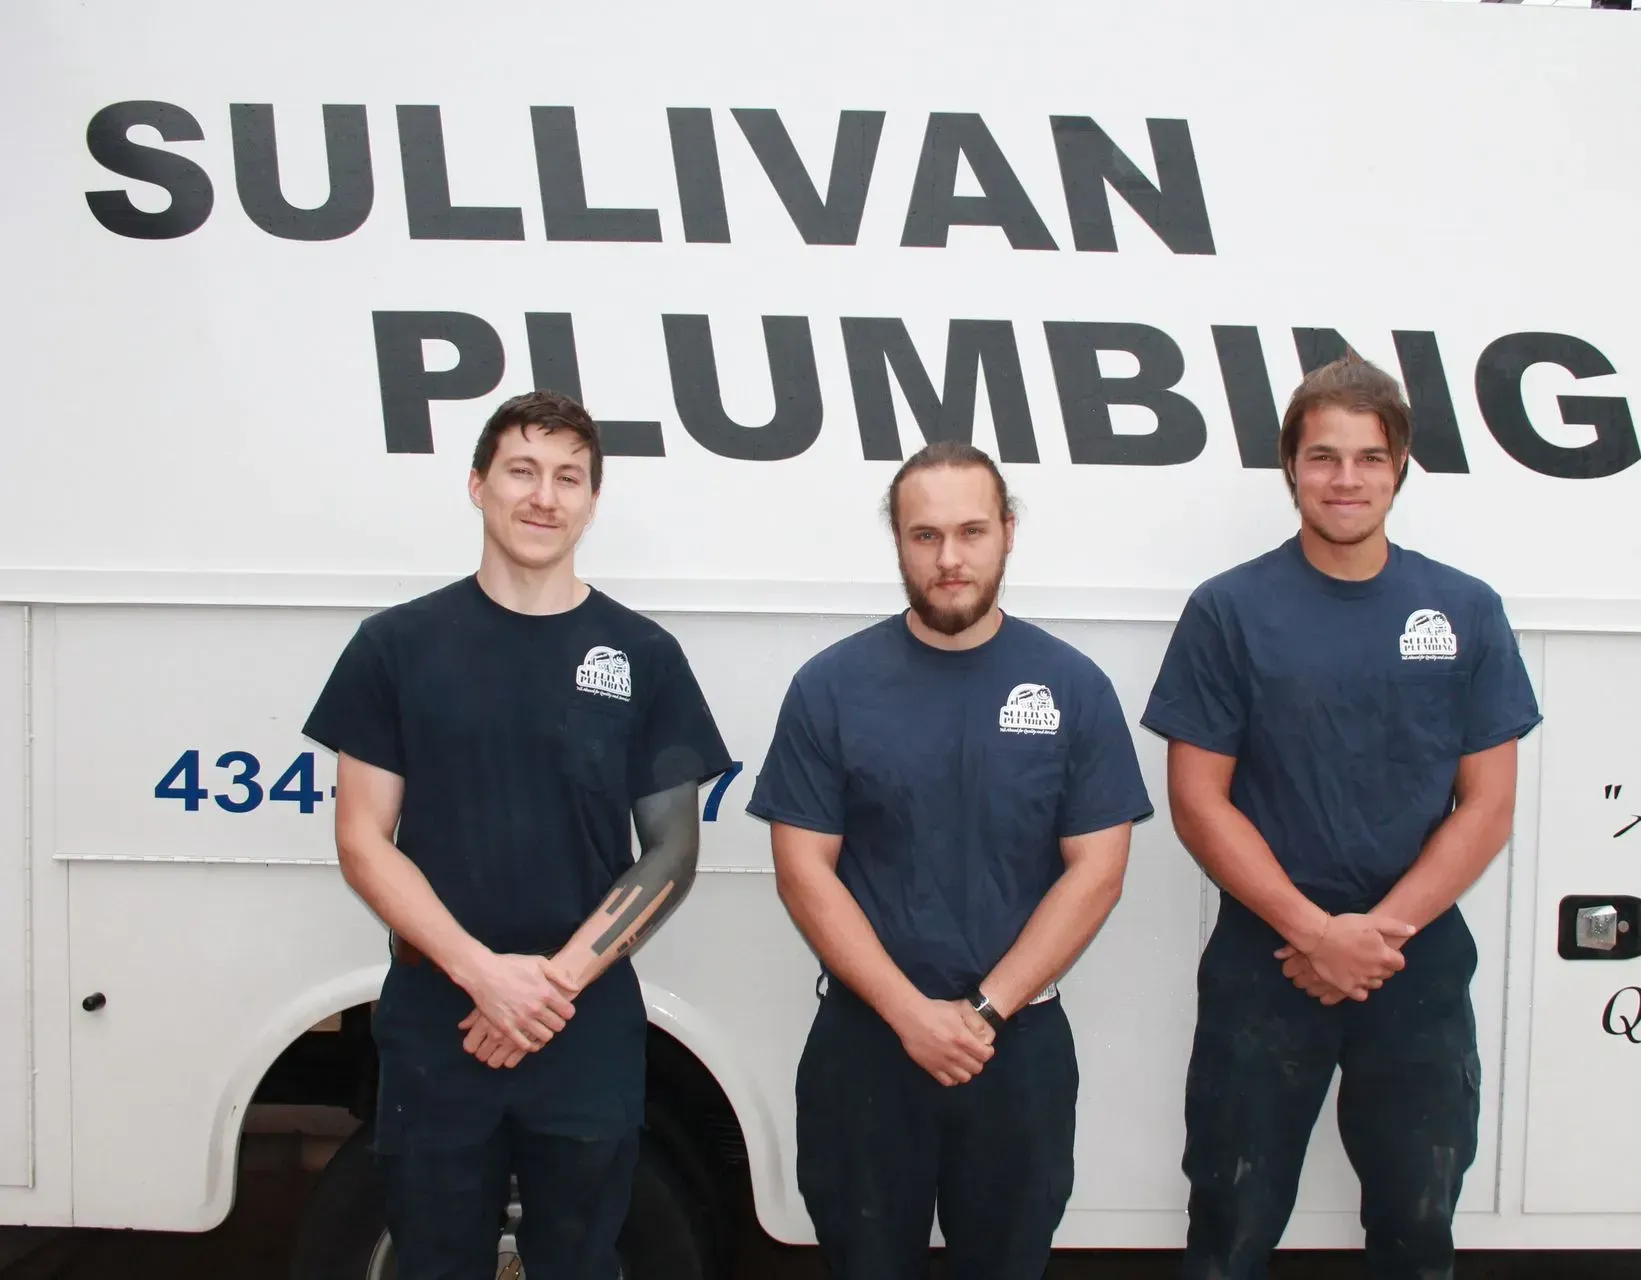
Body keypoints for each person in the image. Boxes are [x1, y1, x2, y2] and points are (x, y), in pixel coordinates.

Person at [301, 389, 731, 1280]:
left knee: (578, 1261)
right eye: (523, 471)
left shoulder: (641, 655)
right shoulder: (396, 648)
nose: (545, 496)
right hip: (439, 1022)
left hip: (583, 1022)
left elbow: (673, 853)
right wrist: (481, 974)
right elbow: (362, 840)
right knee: (434, 1261)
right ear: (477, 486)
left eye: (569, 477)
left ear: (593, 501)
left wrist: (547, 989)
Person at [1141, 354, 1542, 1280]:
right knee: (1230, 1224)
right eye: (1324, 456)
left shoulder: (1466, 610)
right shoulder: (1229, 611)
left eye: (1368, 457)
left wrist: (1373, 939)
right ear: (1290, 467)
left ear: (1400, 465)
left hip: (1417, 960)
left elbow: (1487, 806)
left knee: (1415, 1227)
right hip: (1267, 958)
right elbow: (1199, 802)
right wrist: (1314, 932)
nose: (1346, 479)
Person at [745, 440, 1153, 1279]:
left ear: (1008, 532)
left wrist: (983, 1013)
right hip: (867, 1048)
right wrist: (909, 1014)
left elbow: (1098, 873)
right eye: (924, 535)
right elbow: (802, 872)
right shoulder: (831, 686)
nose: (950, 557)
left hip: (1017, 1048)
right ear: (897, 542)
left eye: (971, 530)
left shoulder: (1072, 687)